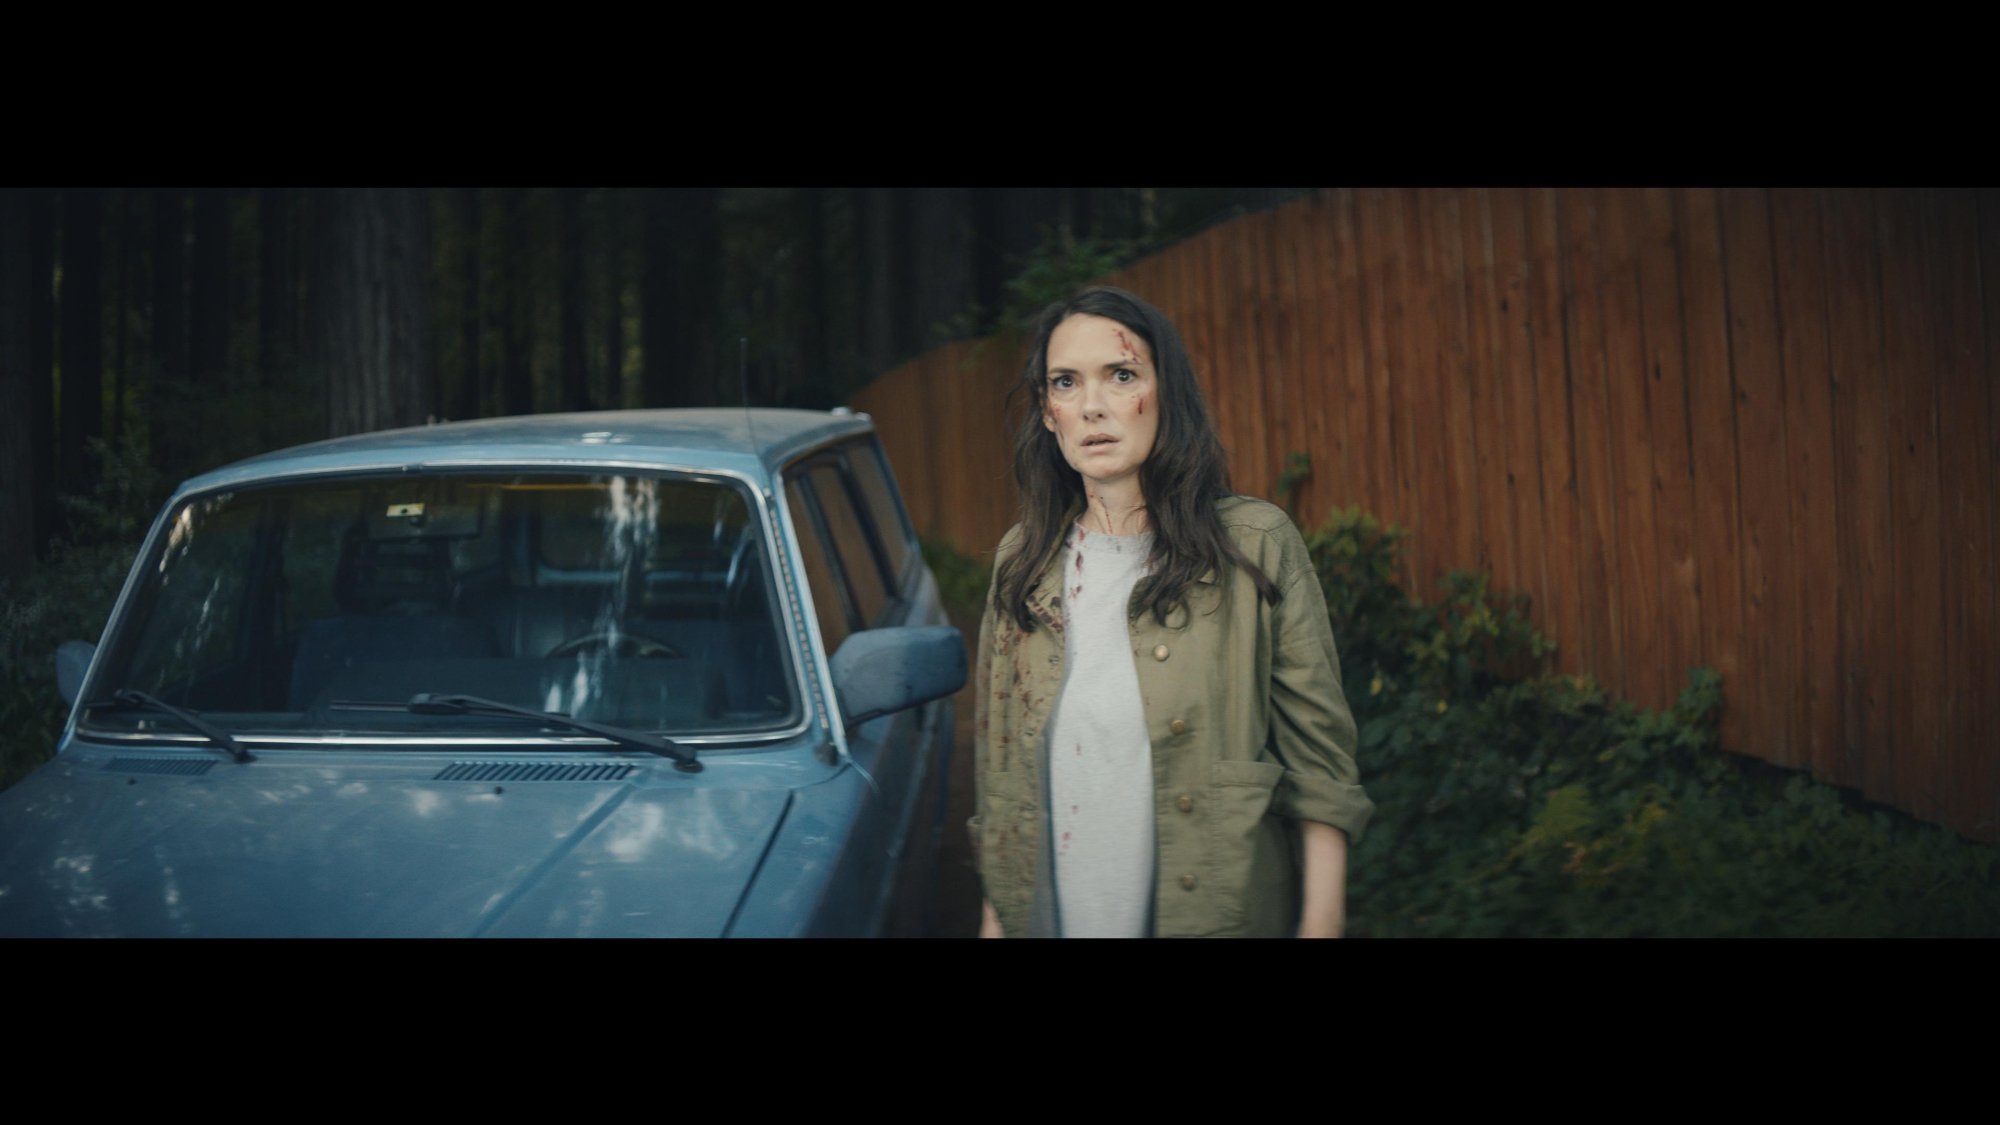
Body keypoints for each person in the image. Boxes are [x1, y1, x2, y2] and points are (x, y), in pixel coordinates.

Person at [972, 286, 1373, 938]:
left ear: (1164, 392)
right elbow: (1002, 781)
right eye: (1066, 382)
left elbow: (1321, 767)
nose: (1093, 406)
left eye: (1121, 374)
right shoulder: (1020, 562)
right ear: (1048, 412)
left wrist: (1321, 924)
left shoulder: (1256, 545)